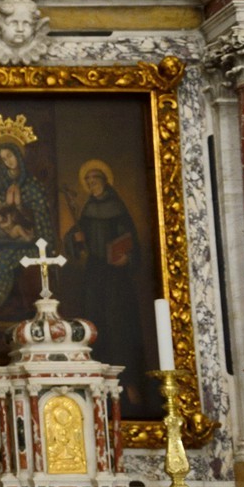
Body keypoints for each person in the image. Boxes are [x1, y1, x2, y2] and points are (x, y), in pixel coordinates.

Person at [64, 161, 144, 404]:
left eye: (95, 179)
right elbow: (80, 245)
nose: (91, 184)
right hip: (95, 274)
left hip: (116, 277)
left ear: (105, 181)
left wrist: (127, 258)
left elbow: (132, 242)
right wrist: (76, 239)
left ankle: (128, 382)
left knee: (119, 325)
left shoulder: (117, 207)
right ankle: (99, 383)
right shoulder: (87, 209)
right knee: (95, 322)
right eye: (88, 181)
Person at [0, 139, 51, 316]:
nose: (8, 161)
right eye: (4, 159)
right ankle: (1, 305)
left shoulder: (32, 185)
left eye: (10, 156)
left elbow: (40, 215)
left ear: (18, 155)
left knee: (5, 262)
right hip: (4, 240)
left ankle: (23, 308)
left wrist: (20, 207)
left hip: (30, 243)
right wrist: (2, 206)